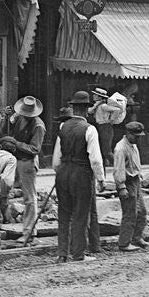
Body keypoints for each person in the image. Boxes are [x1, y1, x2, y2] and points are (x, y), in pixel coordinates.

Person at [52, 91, 105, 263]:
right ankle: (78, 254)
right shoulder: (90, 129)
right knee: (81, 215)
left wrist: (61, 172)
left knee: (64, 214)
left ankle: (62, 253)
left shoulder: (62, 127)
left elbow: (55, 159)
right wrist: (101, 179)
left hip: (63, 172)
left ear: (73, 108)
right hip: (81, 173)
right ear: (87, 109)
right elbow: (95, 159)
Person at [0, 95, 46, 243]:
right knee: (3, 190)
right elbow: (4, 131)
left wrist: (16, 143)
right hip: (14, 159)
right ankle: (1, 224)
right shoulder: (18, 118)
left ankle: (29, 232)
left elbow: (34, 149)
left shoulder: (38, 126)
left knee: (29, 198)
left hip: (27, 161)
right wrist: (6, 118)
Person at [113, 121, 148, 252]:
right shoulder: (121, 148)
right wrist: (121, 186)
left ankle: (136, 238)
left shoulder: (133, 145)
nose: (138, 139)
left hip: (135, 181)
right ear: (128, 133)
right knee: (130, 213)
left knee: (142, 212)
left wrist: (140, 175)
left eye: (139, 136)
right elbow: (118, 169)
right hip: (127, 182)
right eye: (136, 136)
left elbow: (135, 163)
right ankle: (124, 243)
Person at [89, 87, 123, 166]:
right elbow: (89, 111)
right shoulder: (98, 105)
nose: (93, 96)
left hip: (105, 127)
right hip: (100, 127)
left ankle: (120, 166)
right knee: (101, 151)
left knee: (107, 151)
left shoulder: (103, 106)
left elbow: (117, 110)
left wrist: (111, 119)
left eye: (95, 95)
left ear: (99, 97)